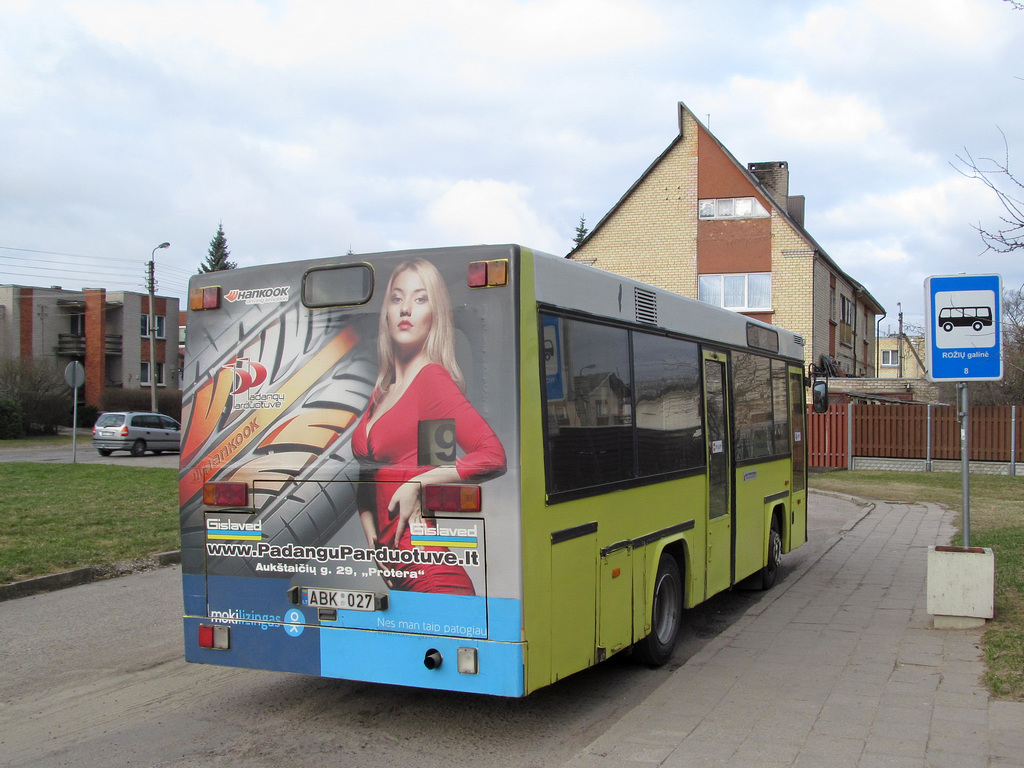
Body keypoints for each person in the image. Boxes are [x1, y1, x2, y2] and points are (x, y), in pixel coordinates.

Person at [351, 258, 505, 595]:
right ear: (386, 313)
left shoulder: (431, 380)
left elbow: (492, 455)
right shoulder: (382, 390)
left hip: (430, 573)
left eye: (420, 299)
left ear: (435, 314)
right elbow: (368, 474)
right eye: (396, 298)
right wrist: (373, 540)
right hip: (397, 570)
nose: (405, 308)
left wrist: (418, 483)